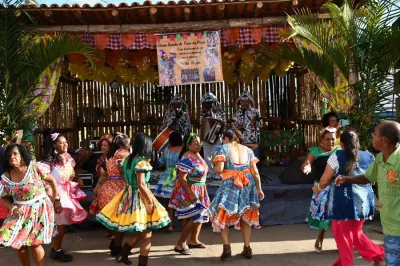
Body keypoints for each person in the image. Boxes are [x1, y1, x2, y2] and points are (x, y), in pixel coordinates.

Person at [96, 133, 170, 266]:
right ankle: (128, 255)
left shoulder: (128, 159)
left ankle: (124, 253)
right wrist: (149, 202)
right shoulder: (141, 161)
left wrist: (130, 189)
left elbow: (125, 178)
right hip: (139, 198)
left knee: (145, 232)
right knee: (146, 233)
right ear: (146, 146)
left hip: (128, 194)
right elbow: (141, 184)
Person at [313, 131, 385, 266]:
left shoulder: (336, 156)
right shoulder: (369, 156)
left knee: (343, 238)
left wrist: (317, 188)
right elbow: (373, 179)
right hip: (363, 203)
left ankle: (351, 263)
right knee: (356, 235)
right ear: (357, 142)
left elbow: (324, 181)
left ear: (342, 144)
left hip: (342, 204)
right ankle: (379, 257)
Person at [336, 120, 400, 266]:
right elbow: (367, 177)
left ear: (384, 140)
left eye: (375, 133)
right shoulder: (379, 158)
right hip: (389, 226)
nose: (372, 135)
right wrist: (347, 179)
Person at [0, 144, 62, 266]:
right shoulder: (6, 177)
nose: (12, 157)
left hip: (39, 209)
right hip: (20, 211)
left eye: (15, 154)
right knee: (19, 245)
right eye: (9, 155)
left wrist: (57, 199)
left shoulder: (33, 168)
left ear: (22, 155)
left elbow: (52, 181)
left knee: (35, 244)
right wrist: (13, 208)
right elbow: (4, 197)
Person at [210, 130, 264, 260]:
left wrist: (214, 166)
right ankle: (247, 249)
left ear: (225, 139)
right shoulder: (248, 150)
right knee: (245, 215)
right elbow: (255, 172)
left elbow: (219, 169)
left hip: (230, 184)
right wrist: (259, 189)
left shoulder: (222, 148)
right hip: (248, 184)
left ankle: (227, 249)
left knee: (223, 214)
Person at [43, 133, 88, 262]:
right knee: (60, 225)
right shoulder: (49, 162)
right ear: (54, 145)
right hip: (56, 195)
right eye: (61, 142)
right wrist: (53, 197)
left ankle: (56, 248)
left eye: (65, 142)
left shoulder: (69, 159)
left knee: (62, 225)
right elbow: (44, 180)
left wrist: (77, 179)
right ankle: (56, 250)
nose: (65, 144)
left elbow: (70, 175)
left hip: (66, 193)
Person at [169, 133, 211, 255]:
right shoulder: (187, 157)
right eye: (196, 143)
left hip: (200, 188)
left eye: (200, 143)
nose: (199, 145)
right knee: (195, 216)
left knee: (201, 215)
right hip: (190, 189)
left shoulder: (197, 154)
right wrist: (191, 193)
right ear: (188, 145)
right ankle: (180, 244)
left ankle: (193, 240)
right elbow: (182, 177)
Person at [301, 126, 340, 252]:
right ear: (321, 140)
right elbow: (307, 163)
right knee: (323, 215)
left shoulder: (339, 150)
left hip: (337, 186)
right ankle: (320, 236)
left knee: (338, 215)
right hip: (321, 187)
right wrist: (307, 167)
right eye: (327, 139)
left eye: (333, 139)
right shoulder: (315, 151)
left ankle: (342, 243)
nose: (330, 142)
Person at [96, 133, 131, 256]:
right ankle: (118, 246)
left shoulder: (111, 156)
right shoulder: (124, 155)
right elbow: (123, 172)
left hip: (107, 189)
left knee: (116, 221)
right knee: (121, 221)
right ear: (126, 144)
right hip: (119, 189)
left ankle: (116, 245)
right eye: (129, 143)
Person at [154, 131, 183, 232]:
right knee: (182, 201)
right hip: (180, 176)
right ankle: (185, 225)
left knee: (169, 204)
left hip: (167, 178)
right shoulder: (183, 150)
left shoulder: (167, 150)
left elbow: (161, 163)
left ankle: (170, 225)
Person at [199, 92, 226, 179]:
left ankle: (217, 173)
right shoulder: (202, 112)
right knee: (206, 154)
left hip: (216, 136)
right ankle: (210, 172)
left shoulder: (219, 111)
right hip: (206, 135)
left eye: (210, 102)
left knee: (216, 154)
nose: (208, 104)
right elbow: (201, 124)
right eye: (206, 103)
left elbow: (223, 123)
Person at [89, 133, 114, 215]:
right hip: (101, 183)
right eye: (102, 145)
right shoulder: (101, 158)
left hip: (111, 185)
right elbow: (98, 170)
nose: (102, 147)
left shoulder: (113, 159)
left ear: (110, 148)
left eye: (105, 146)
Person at [233, 91, 262, 158]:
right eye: (242, 101)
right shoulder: (237, 113)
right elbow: (233, 127)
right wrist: (237, 128)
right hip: (241, 140)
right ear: (240, 102)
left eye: (246, 101)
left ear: (249, 101)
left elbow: (261, 125)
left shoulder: (255, 112)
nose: (244, 103)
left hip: (253, 140)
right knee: (243, 160)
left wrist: (255, 122)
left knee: (254, 160)